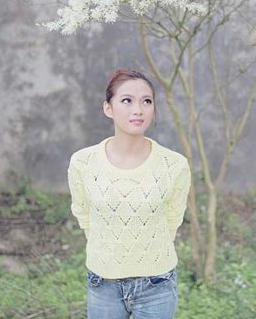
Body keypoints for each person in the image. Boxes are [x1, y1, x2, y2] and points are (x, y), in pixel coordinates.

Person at [67, 69, 192, 319]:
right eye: (127, 100)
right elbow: (83, 213)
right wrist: (109, 250)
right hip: (104, 282)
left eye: (147, 101)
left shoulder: (174, 165)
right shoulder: (83, 162)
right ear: (108, 108)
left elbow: (173, 219)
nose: (139, 109)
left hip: (157, 284)